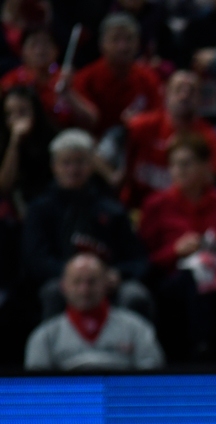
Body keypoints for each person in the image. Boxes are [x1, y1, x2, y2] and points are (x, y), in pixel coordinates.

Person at [139, 131, 216, 360]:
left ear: (205, 167)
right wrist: (175, 251)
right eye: (173, 165)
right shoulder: (156, 205)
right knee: (195, 281)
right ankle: (201, 353)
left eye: (186, 164)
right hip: (173, 277)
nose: (178, 171)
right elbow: (143, 260)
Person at [23, 127, 150, 318]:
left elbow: (139, 260)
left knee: (134, 295)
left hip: (108, 284)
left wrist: (117, 275)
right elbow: (36, 260)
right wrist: (75, 278)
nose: (73, 169)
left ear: (91, 165)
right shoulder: (40, 209)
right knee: (52, 293)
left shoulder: (111, 208)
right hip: (61, 281)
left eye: (80, 162)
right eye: (66, 163)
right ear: (54, 166)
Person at [25, 250, 161, 368]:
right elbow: (35, 389)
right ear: (63, 286)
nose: (84, 290)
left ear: (106, 284)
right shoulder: (44, 337)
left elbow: (152, 377)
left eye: (92, 281)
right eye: (77, 282)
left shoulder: (137, 329)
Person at [118, 69, 216, 207]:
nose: (184, 95)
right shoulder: (139, 127)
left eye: (191, 91)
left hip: (183, 213)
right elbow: (115, 167)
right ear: (165, 93)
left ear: (199, 98)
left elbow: (210, 181)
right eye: (178, 89)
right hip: (136, 207)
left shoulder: (209, 137)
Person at [72, 13, 159, 137]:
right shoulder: (86, 78)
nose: (123, 47)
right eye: (115, 39)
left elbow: (159, 114)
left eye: (129, 39)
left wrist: (141, 120)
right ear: (102, 44)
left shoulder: (148, 77)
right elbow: (86, 122)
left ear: (138, 43)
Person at [0, 26, 95, 129]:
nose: (40, 50)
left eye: (46, 44)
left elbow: (91, 120)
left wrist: (68, 93)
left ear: (56, 50)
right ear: (23, 52)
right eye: (33, 45)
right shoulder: (11, 80)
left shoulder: (67, 78)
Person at [0, 84, 54, 206]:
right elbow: (4, 187)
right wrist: (15, 142)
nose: (15, 119)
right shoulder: (4, 140)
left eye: (22, 112)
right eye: (9, 114)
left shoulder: (53, 136)